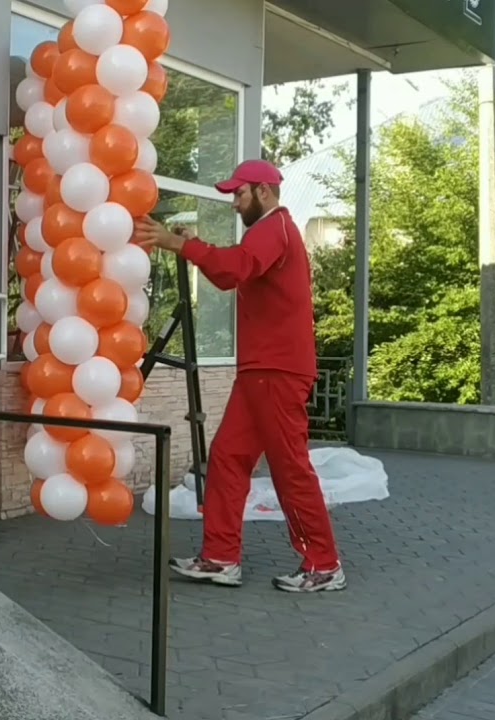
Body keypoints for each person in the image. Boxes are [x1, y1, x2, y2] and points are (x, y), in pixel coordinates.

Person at [133, 159, 344, 593]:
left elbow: (236, 270)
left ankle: (324, 564)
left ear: (263, 192)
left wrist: (179, 245)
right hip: (261, 371)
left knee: (290, 469)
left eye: (239, 193)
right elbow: (234, 267)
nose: (234, 202)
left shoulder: (274, 229)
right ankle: (220, 557)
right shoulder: (267, 231)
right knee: (228, 459)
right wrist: (194, 247)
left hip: (277, 372)